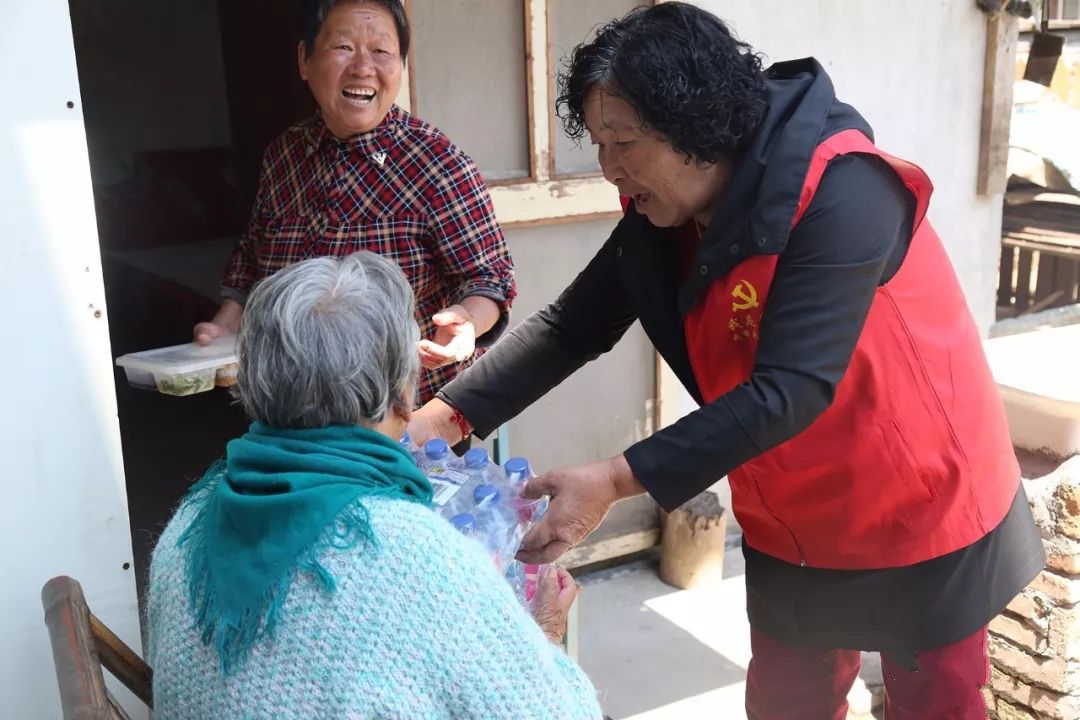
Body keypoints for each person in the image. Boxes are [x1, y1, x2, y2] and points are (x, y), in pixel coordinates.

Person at [408, 4, 1045, 719]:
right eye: (600, 143)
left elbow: (790, 389)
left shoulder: (843, 191)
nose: (610, 168)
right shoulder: (663, 218)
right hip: (792, 503)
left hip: (916, 495)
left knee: (936, 705)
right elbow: (570, 328)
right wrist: (440, 418)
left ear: (697, 127)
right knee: (787, 703)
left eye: (624, 141)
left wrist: (614, 480)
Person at [146, 252, 602, 719]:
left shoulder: (187, 524)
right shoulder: (419, 558)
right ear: (404, 392)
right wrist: (545, 635)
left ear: (254, 381)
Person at [194, 0, 515, 411]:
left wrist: (467, 322)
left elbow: (487, 278)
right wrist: (226, 325)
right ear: (305, 60)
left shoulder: (437, 164)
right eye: (343, 47)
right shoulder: (284, 156)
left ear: (400, 64)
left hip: (404, 417)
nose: (363, 68)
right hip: (295, 409)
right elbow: (251, 260)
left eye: (381, 51)